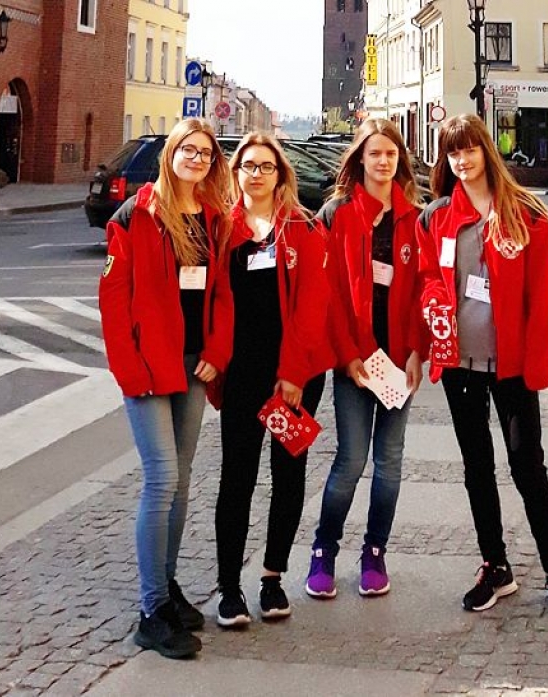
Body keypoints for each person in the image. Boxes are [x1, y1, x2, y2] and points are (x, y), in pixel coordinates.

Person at [416, 113, 548, 617]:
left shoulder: (525, 214)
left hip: (511, 366)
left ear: (485, 152)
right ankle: (495, 566)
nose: (462, 160)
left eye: (469, 149)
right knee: (477, 468)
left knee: (527, 466)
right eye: (453, 153)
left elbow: (546, 297)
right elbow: (429, 275)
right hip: (460, 366)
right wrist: (434, 305)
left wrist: (538, 366)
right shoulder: (438, 217)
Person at [98, 118, 234, 658]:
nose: (196, 158)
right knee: (161, 480)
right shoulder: (137, 215)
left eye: (205, 152)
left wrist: (216, 354)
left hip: (193, 367)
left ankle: (168, 586)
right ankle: (151, 609)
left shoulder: (215, 217)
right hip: (149, 370)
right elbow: (113, 303)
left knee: (180, 484)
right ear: (171, 153)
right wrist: (129, 371)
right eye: (188, 149)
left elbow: (222, 296)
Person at [214, 133, 334, 627]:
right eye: (248, 165)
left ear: (281, 174)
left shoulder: (301, 228)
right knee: (237, 476)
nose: (257, 173)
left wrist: (292, 376)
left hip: (295, 378)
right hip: (243, 374)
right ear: (236, 172)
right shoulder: (221, 229)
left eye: (267, 166)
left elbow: (312, 307)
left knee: (287, 476)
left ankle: (271, 577)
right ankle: (227, 588)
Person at [305, 118, 427, 599]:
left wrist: (419, 349)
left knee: (390, 463)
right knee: (351, 460)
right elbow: (327, 293)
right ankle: (324, 549)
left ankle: (375, 551)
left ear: (399, 160)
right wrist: (347, 356)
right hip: (353, 360)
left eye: (390, 154)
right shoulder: (336, 214)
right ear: (360, 160)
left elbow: (424, 290)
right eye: (374, 153)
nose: (382, 161)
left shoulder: (413, 218)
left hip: (397, 361)